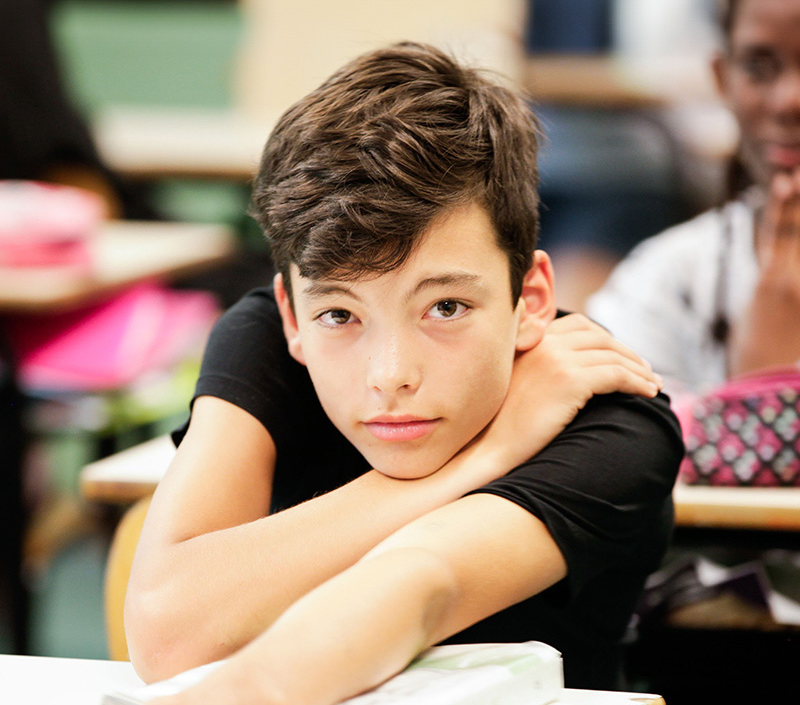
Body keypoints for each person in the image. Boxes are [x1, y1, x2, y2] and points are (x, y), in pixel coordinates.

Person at [124, 42, 682, 704]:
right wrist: (487, 456)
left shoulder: (613, 418)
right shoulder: (269, 341)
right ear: (292, 316)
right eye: (339, 315)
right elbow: (166, 626)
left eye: (445, 307)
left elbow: (419, 584)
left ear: (530, 298)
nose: (390, 375)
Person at [587, 0, 800, 400]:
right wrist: (763, 370)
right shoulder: (668, 278)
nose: (789, 100)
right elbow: (602, 442)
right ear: (722, 79)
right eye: (759, 67)